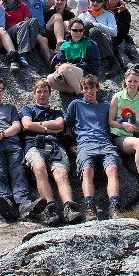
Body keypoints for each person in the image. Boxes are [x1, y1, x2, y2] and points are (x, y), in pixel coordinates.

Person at [0, 77, 46, 221]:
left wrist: (1, 134)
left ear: (4, 91)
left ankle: (24, 205)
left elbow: (16, 127)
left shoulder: (10, 108)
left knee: (18, 171)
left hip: (11, 142)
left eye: (0, 89)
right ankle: (5, 203)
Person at [21, 79, 83, 225]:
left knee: (61, 173)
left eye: (45, 91)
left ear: (50, 93)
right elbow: (27, 124)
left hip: (55, 145)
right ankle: (50, 208)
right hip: (34, 144)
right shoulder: (27, 110)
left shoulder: (56, 112)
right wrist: (49, 129)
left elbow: (60, 124)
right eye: (39, 92)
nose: (42, 95)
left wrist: (38, 126)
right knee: (39, 167)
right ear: (34, 93)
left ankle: (69, 207)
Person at [64, 74, 121, 221]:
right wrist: (70, 143)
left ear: (97, 89)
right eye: (85, 88)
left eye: (92, 88)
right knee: (87, 170)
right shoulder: (75, 105)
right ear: (82, 90)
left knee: (112, 169)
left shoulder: (106, 106)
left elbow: (116, 123)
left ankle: (114, 206)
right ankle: (90, 207)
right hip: (85, 144)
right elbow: (67, 126)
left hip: (105, 143)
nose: (89, 91)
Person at [109, 67, 139, 203]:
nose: (132, 84)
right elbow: (110, 121)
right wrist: (123, 125)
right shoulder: (117, 97)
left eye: (135, 81)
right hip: (120, 135)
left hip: (135, 133)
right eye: (129, 81)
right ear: (125, 81)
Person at [46, 21, 100, 96]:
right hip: (68, 73)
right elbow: (59, 63)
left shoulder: (90, 43)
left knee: (65, 67)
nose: (78, 33)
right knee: (49, 79)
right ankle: (76, 91)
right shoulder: (64, 45)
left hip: (89, 75)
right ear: (69, 30)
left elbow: (94, 67)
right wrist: (58, 66)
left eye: (81, 30)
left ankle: (80, 94)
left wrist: (76, 65)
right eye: (75, 30)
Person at [0, 0, 43, 71]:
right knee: (22, 24)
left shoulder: (23, 6)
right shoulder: (0, 7)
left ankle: (28, 50)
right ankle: (22, 54)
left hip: (22, 32)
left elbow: (27, 21)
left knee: (33, 21)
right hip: (9, 34)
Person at [78, 0, 118, 72]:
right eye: (93, 0)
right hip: (87, 43)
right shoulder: (83, 15)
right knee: (86, 25)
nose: (95, 3)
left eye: (99, 1)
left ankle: (113, 61)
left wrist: (98, 25)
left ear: (102, 2)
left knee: (94, 31)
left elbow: (114, 33)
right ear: (89, 1)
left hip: (105, 42)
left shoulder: (108, 15)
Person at [17, 0, 54, 66]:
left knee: (57, 17)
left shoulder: (40, 0)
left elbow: (52, 2)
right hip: (28, 29)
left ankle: (60, 44)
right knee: (43, 40)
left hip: (41, 28)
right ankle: (50, 62)